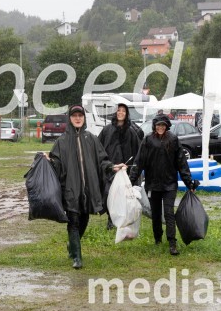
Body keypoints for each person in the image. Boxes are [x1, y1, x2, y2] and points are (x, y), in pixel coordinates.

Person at [48, 105, 125, 269]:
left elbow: (102, 159)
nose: (77, 118)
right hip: (70, 189)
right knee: (74, 220)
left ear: (84, 119)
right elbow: (56, 162)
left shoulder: (91, 138)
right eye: (74, 116)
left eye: (80, 116)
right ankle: (77, 257)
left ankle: (72, 245)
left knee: (84, 219)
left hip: (88, 188)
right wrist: (48, 161)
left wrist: (112, 167)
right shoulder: (62, 141)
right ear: (70, 119)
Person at [129, 114, 193, 256]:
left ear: (167, 126)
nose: (160, 128)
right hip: (152, 185)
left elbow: (182, 162)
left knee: (169, 213)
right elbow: (139, 162)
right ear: (154, 126)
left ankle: (172, 243)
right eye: (158, 125)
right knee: (156, 214)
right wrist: (130, 181)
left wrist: (189, 182)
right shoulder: (148, 140)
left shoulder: (173, 140)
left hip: (169, 184)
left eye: (163, 125)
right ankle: (158, 238)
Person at [98, 102, 142, 230]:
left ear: (126, 114)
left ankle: (121, 219)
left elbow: (137, 150)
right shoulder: (107, 130)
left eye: (123, 111)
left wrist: (133, 166)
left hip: (125, 169)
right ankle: (110, 219)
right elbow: (99, 147)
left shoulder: (131, 131)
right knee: (109, 193)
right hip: (111, 168)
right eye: (118, 110)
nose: (120, 113)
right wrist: (106, 164)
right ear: (115, 112)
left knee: (123, 196)